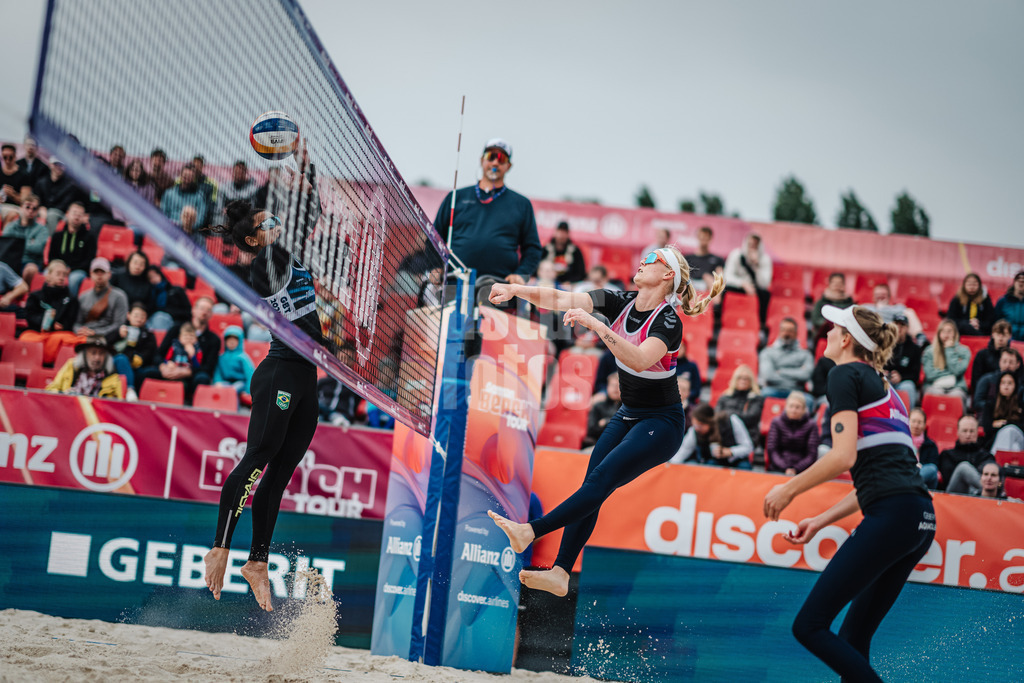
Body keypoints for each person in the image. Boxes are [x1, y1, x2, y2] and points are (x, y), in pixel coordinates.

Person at [486, 246, 724, 596]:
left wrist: (596, 325)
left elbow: (641, 359)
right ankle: (561, 574)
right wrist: (516, 291)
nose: (641, 262)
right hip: (629, 414)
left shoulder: (668, 320)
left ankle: (531, 532)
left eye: (651, 260)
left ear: (667, 275)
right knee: (592, 487)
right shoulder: (620, 300)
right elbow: (560, 298)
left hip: (663, 423)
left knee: (600, 479)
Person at [763, 304, 933, 682]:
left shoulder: (844, 374)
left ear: (846, 339)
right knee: (854, 637)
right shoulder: (891, 392)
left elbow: (843, 455)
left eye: (834, 326)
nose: (826, 330)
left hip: (894, 515)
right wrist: (821, 521)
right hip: (919, 518)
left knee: (809, 626)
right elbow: (882, 481)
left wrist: (787, 489)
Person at [203, 150, 325, 611]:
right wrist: (297, 175)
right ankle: (220, 547)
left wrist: (306, 169)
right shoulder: (265, 262)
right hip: (278, 372)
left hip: (305, 376)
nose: (276, 221)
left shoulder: (283, 251)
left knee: (279, 474)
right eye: (268, 219)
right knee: (257, 459)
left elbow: (306, 214)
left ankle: (258, 562)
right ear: (255, 236)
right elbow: (301, 218)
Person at [433, 139, 542, 293]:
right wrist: (435, 266)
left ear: (508, 166)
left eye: (501, 159)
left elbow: (533, 249)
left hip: (501, 289)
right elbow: (433, 238)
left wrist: (521, 275)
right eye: (491, 156)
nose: (495, 163)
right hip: (455, 283)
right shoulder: (456, 197)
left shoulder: (522, 204)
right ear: (482, 160)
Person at [20, 260, 82, 364]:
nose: (62, 277)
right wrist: (49, 324)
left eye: (64, 274)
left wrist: (60, 326)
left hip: (59, 336)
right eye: (58, 274)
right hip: (37, 333)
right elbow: (30, 317)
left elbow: (69, 322)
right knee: (25, 338)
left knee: (71, 340)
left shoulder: (72, 299)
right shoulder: (35, 296)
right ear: (48, 276)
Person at [670, 403, 754, 469]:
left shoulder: (731, 421)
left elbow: (748, 447)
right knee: (707, 466)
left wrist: (730, 452)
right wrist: (670, 466)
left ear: (709, 422)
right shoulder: (694, 431)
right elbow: (683, 451)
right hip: (714, 463)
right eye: (695, 425)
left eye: (700, 425)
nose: (697, 428)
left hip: (737, 460)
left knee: (744, 467)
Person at [45, 336, 123, 399]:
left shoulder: (113, 379)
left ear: (106, 357)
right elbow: (50, 389)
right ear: (85, 354)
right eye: (93, 353)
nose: (97, 358)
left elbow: (117, 406)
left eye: (101, 354)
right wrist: (63, 394)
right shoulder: (71, 366)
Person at [46, 201, 96, 295]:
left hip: (78, 271)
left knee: (73, 279)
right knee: (46, 274)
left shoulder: (90, 237)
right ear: (67, 214)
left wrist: (71, 269)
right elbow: (51, 257)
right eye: (74, 213)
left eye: (80, 214)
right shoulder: (57, 235)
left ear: (84, 217)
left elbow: (89, 260)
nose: (77, 217)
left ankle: (69, 305)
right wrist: (60, 268)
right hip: (58, 268)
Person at [106, 303, 156, 395]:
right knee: (121, 359)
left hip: (136, 365)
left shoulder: (148, 335)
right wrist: (118, 335)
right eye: (136, 315)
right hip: (117, 362)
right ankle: (130, 390)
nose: (139, 319)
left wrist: (141, 358)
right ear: (128, 315)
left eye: (142, 316)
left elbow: (150, 351)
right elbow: (106, 342)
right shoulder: (121, 328)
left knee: (145, 372)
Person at [724, 233, 772, 328]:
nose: (752, 248)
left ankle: (760, 324)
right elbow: (727, 276)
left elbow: (764, 284)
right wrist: (742, 284)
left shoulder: (765, 259)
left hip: (755, 289)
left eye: (755, 246)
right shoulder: (736, 255)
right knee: (724, 290)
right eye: (750, 245)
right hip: (738, 286)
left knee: (765, 294)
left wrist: (756, 266)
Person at [766, 391, 820, 475]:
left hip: (803, 471)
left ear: (804, 409)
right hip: (778, 468)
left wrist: (795, 469)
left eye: (797, 407)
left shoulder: (811, 425)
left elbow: (812, 454)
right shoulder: (776, 422)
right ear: (786, 407)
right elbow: (772, 450)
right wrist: (785, 468)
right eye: (791, 406)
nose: (793, 410)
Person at [74, 258, 129, 339]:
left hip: (107, 338)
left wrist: (95, 333)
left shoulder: (119, 296)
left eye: (102, 272)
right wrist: (80, 330)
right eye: (96, 272)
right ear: (91, 274)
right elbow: (77, 323)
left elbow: (118, 325)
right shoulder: (83, 297)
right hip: (84, 336)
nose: (99, 275)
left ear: (109, 274)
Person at [759, 317, 814, 398]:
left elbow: (806, 375)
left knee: (809, 400)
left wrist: (781, 371)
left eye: (790, 331)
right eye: (783, 330)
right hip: (773, 390)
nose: (786, 333)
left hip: (797, 392)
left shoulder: (805, 354)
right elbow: (768, 376)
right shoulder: (767, 352)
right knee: (762, 395)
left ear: (796, 333)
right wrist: (796, 375)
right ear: (779, 332)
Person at [33, 157, 89, 234]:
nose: (58, 167)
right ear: (51, 165)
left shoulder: (70, 185)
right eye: (56, 164)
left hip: (60, 213)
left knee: (52, 214)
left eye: (61, 165)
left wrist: (45, 209)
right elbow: (35, 198)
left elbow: (64, 205)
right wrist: (41, 207)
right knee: (30, 211)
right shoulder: (42, 181)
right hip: (44, 210)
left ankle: (50, 241)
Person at [921, 318, 970, 402]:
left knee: (956, 396)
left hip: (956, 387)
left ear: (955, 333)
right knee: (935, 393)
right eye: (943, 331)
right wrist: (949, 374)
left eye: (949, 331)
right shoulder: (929, 351)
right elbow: (930, 375)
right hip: (934, 385)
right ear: (938, 333)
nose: (946, 334)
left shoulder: (964, 351)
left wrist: (949, 350)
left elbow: (957, 371)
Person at [3, 193, 49, 281]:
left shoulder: (42, 229)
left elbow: (37, 249)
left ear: (37, 211)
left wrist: (16, 243)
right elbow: (5, 246)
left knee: (30, 269)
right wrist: (29, 242)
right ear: (21, 208)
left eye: (34, 208)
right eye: (27, 207)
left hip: (30, 262)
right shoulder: (11, 226)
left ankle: (25, 293)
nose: (30, 210)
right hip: (11, 261)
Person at [715, 364, 765, 443]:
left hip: (746, 435)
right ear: (734, 379)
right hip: (724, 432)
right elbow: (717, 416)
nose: (743, 381)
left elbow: (750, 418)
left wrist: (729, 414)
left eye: (746, 379)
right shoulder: (724, 397)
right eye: (740, 378)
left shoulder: (756, 398)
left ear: (751, 381)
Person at [937, 415, 988, 492]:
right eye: (965, 431)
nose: (968, 435)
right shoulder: (947, 455)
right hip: (953, 495)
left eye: (971, 431)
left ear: (977, 433)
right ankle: (988, 489)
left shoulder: (986, 456)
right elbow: (947, 479)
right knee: (963, 468)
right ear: (958, 432)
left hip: (979, 496)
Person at [161, 164, 208, 242]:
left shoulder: (199, 196)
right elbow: (163, 214)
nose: (187, 177)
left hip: (191, 233)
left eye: (190, 176)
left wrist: (187, 227)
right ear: (180, 175)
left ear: (194, 178)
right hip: (171, 231)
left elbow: (201, 218)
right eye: (185, 175)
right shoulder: (169, 193)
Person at [973, 348, 1023, 420]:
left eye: (1011, 362)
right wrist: (997, 407)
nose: (1007, 365)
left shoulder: (1020, 384)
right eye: (1004, 361)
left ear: (1018, 364)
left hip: (1012, 419)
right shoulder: (986, 379)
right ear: (999, 362)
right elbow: (977, 403)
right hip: (988, 418)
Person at [981, 372, 1024, 454]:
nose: (1006, 386)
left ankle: (996, 460)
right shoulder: (990, 405)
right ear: (998, 385)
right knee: (1015, 447)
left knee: (1010, 430)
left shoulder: (1021, 405)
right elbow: (987, 428)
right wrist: (1011, 423)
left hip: (1020, 438)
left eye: (1010, 383)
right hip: (997, 440)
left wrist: (1004, 424)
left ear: (1015, 386)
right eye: (1003, 383)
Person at [885, 313, 922, 408]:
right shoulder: (884, 345)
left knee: (909, 386)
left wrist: (901, 377)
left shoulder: (915, 349)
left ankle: (910, 417)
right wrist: (883, 373)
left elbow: (915, 375)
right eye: (896, 324)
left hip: (903, 382)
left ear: (907, 328)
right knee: (879, 383)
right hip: (886, 379)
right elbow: (877, 365)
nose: (899, 328)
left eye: (902, 325)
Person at [213, 325, 255, 405]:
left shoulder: (243, 357)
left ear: (239, 341)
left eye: (234, 340)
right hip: (227, 382)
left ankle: (234, 409)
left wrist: (247, 391)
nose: (231, 342)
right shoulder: (222, 357)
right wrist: (217, 382)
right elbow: (218, 372)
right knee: (220, 388)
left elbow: (250, 374)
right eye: (229, 340)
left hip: (240, 382)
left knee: (233, 390)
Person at [970, 319, 1012, 395]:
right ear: (992, 334)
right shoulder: (981, 355)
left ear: (1010, 336)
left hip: (1008, 395)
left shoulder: (1013, 357)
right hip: (986, 394)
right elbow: (975, 381)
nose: (1001, 338)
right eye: (998, 334)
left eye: (1004, 335)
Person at [947, 273, 995, 337]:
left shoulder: (985, 299)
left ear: (979, 285)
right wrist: (968, 323)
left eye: (974, 284)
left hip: (980, 330)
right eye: (969, 284)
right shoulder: (957, 299)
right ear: (964, 285)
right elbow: (951, 319)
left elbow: (990, 321)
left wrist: (979, 324)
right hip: (960, 332)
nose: (972, 287)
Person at [144, 265, 192, 329]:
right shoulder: (150, 294)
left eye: (155, 275)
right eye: (150, 278)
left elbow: (188, 312)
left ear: (160, 274)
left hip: (175, 322)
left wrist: (169, 312)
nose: (153, 279)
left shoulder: (176, 290)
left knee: (160, 318)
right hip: (154, 321)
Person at [583, 372, 622, 449]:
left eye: (619, 386)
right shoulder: (598, 406)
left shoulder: (628, 408)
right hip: (597, 444)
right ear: (607, 386)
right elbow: (591, 430)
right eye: (613, 385)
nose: (615, 388)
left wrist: (606, 422)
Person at [683, 226, 724, 294]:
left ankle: (716, 303)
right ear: (698, 237)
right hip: (690, 285)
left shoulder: (717, 260)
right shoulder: (687, 258)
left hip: (708, 287)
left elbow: (720, 278)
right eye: (702, 238)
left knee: (709, 279)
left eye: (706, 238)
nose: (703, 240)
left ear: (710, 239)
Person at [216, 160, 260, 225]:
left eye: (241, 171)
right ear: (233, 172)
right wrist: (223, 210)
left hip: (245, 219)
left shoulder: (253, 189)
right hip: (227, 218)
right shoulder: (224, 187)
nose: (239, 173)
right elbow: (219, 207)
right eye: (237, 171)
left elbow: (253, 207)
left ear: (245, 172)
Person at [810, 273, 854, 338]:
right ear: (829, 285)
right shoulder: (820, 302)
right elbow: (816, 320)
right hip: (825, 335)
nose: (837, 286)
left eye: (840, 283)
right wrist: (832, 324)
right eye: (834, 283)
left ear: (844, 285)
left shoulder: (850, 304)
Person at [909, 408, 940, 489]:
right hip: (906, 472)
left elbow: (933, 468)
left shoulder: (931, 445)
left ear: (925, 424)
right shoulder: (902, 441)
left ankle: (908, 484)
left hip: (923, 478)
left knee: (932, 469)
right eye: (913, 421)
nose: (916, 425)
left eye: (919, 422)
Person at [994, 270, 1024, 341]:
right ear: (1014, 283)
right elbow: (996, 322)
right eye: (1018, 280)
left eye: (1023, 281)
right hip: (1006, 340)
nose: (1021, 283)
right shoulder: (1003, 301)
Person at [674, 339, 702, 406]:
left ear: (685, 348)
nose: (678, 350)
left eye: (681, 347)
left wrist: (684, 397)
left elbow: (696, 389)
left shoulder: (692, 366)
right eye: (676, 348)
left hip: (687, 401)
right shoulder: (668, 366)